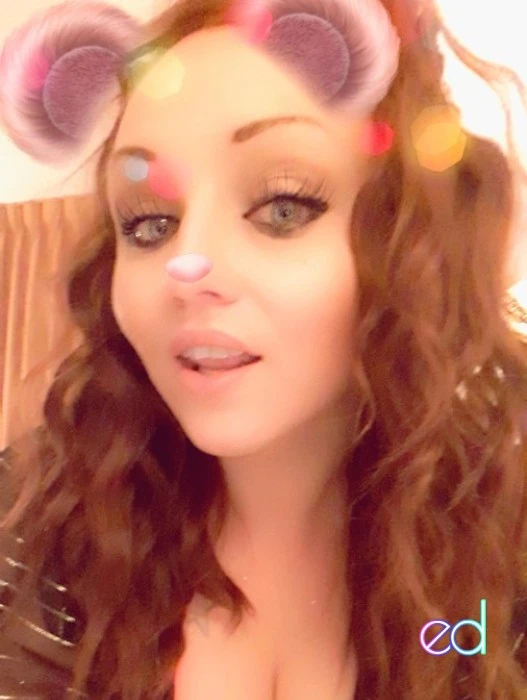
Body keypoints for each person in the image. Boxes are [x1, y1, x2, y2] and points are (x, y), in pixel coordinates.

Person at [0, 0, 526, 697]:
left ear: (412, 249)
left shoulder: (497, 561)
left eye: (283, 206)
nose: (185, 268)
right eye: (149, 223)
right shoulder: (34, 526)